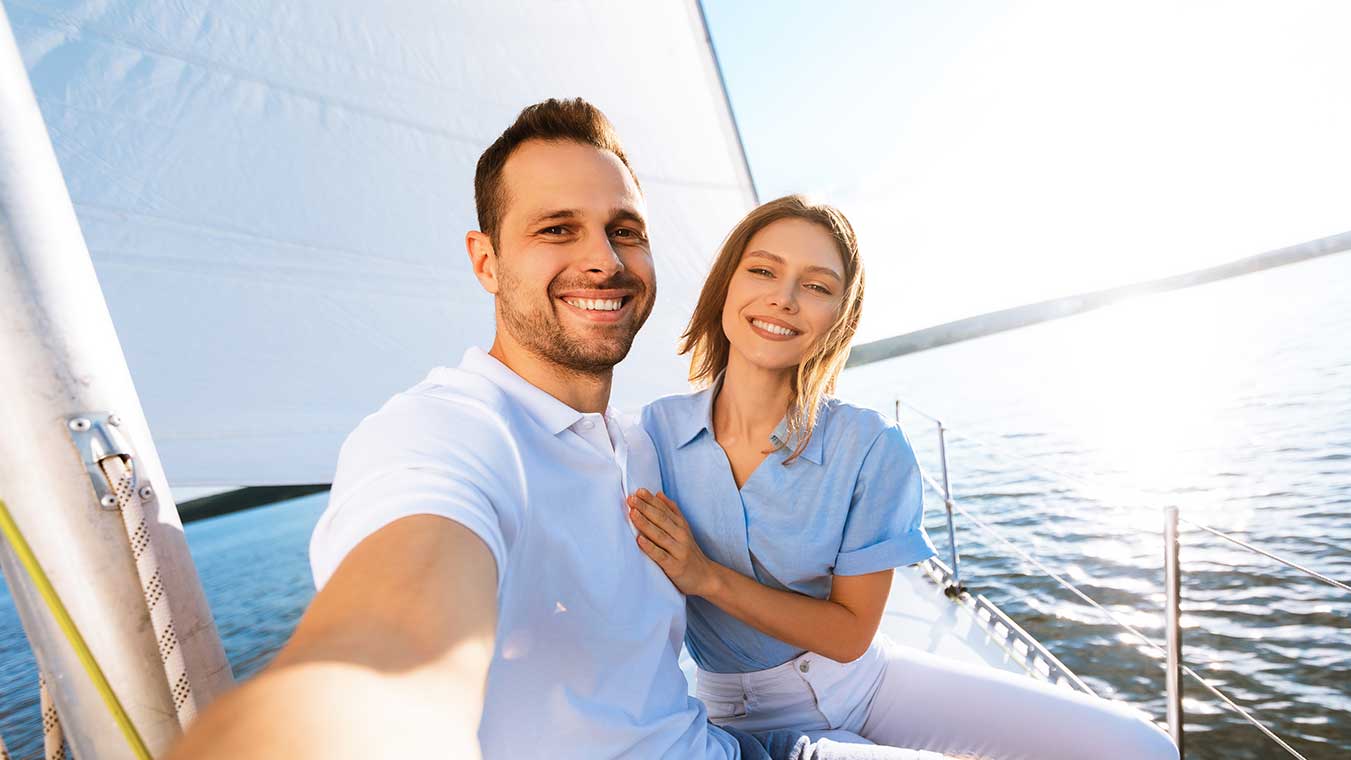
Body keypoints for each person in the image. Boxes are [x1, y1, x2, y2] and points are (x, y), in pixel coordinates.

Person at [166, 100, 952, 760]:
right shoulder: (448, 434)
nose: (603, 261)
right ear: (485, 261)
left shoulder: (640, 444)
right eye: (555, 230)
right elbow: (389, 642)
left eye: (626, 231)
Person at [628, 195, 1182, 759]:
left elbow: (849, 635)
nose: (784, 298)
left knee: (1140, 747)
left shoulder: (871, 445)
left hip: (866, 683)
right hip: (743, 719)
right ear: (727, 282)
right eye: (763, 270)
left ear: (840, 316)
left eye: (816, 286)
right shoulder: (653, 436)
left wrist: (708, 578)